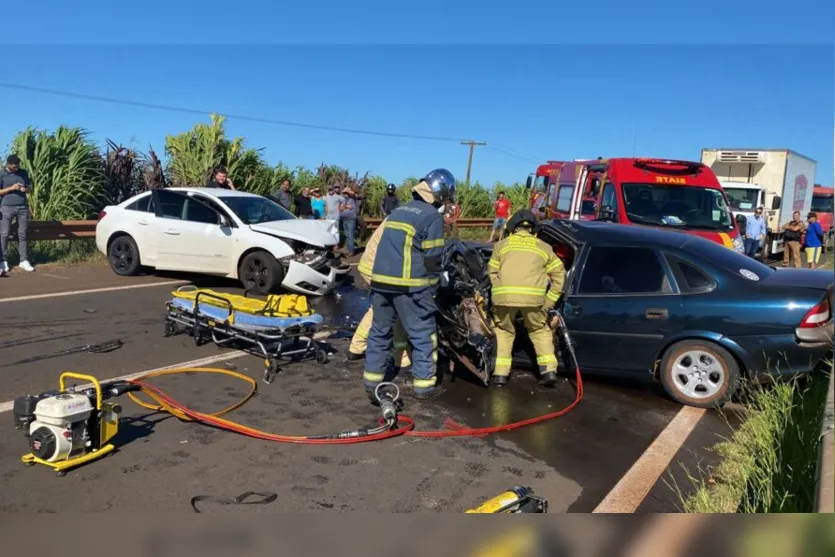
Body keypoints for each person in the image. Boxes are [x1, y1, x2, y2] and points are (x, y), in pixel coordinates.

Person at [363, 168, 453, 401]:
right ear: (440, 194)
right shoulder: (431, 216)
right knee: (423, 334)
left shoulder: (399, 210)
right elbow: (432, 257)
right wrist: (434, 286)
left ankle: (371, 381)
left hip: (381, 283)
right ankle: (424, 386)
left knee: (379, 333)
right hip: (410, 287)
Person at [487, 209, 566, 387]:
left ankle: (500, 375)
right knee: (539, 331)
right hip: (534, 301)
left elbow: (491, 272)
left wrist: (500, 291)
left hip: (503, 299)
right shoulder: (544, 247)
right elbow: (560, 275)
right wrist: (548, 302)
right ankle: (548, 372)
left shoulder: (501, 246)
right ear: (532, 229)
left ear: (512, 227)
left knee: (504, 331)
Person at [348, 216, 411, 370]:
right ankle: (400, 358)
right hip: (380, 269)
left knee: (380, 306)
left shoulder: (403, 214)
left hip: (372, 264)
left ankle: (357, 347)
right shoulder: (411, 220)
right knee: (400, 307)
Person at [0, 154, 35, 274]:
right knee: (4, 234)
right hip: (7, 207)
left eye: (18, 166)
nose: (16, 168)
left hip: (23, 207)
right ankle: (2, 260)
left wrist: (26, 189)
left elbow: (30, 188)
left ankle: (23, 260)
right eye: (14, 166)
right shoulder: (2, 174)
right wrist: (11, 188)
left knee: (23, 234)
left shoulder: (23, 173)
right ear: (8, 164)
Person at [339, 188, 359, 256]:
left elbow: (353, 193)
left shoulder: (353, 198)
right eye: (344, 193)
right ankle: (348, 249)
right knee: (346, 234)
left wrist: (348, 190)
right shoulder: (343, 200)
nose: (345, 194)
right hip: (344, 219)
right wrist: (346, 206)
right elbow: (340, 209)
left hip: (351, 219)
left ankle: (351, 251)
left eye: (346, 193)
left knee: (350, 235)